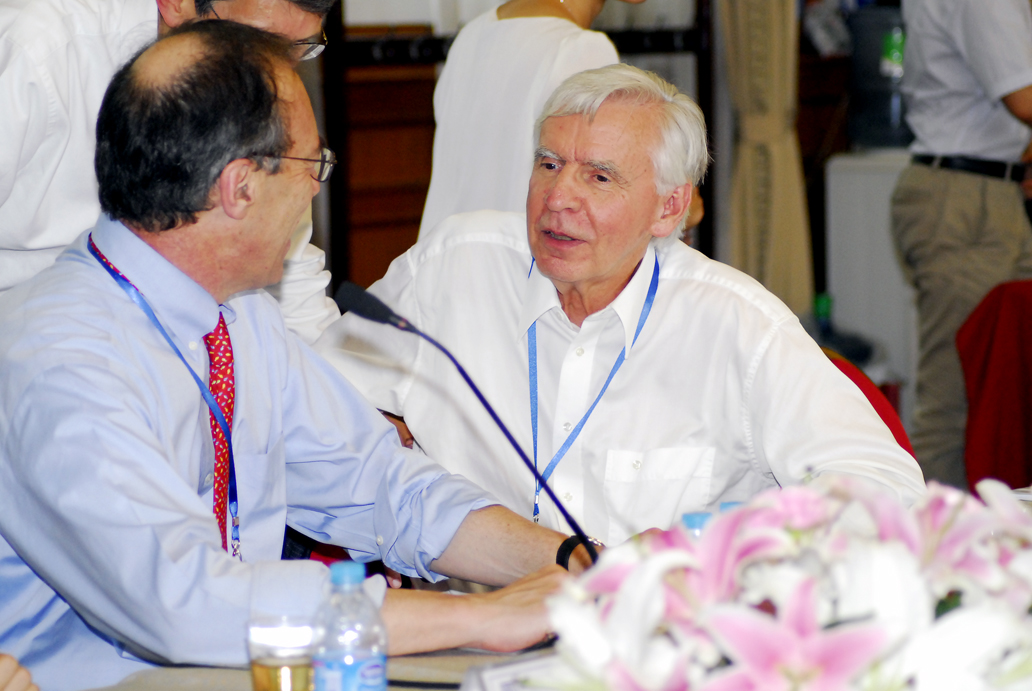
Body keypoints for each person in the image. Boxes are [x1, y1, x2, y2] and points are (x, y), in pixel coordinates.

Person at [0, 22, 588, 691]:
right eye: (313, 165)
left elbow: (379, 483)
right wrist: (484, 617)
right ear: (240, 186)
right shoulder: (58, 359)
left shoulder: (240, 314)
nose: (315, 190)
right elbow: (186, 602)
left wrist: (578, 563)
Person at [316, 64, 927, 548]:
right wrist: (383, 443)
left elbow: (886, 490)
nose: (558, 197)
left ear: (669, 207)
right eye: (549, 164)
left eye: (599, 177)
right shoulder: (454, 267)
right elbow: (313, 411)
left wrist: (722, 553)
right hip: (465, 630)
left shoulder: (736, 325)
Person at [0, 0, 339, 343]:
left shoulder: (256, 88)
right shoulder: (37, 47)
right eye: (258, 42)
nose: (279, 72)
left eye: (299, 48)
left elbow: (295, 295)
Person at [890, 0, 1032, 487]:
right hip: (963, 196)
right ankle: (937, 531)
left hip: (995, 190)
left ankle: (998, 525)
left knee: (1010, 390)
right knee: (955, 398)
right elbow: (1024, 99)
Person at [419, 0, 639, 237]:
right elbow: (600, 198)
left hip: (443, 251)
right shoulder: (581, 50)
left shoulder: (473, 33)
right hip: (519, 253)